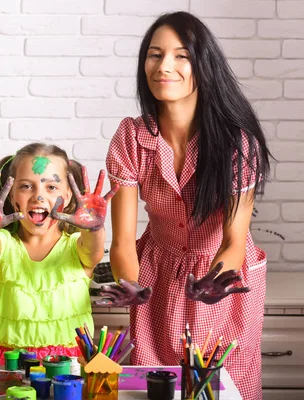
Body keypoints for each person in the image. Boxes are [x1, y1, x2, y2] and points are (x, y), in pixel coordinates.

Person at [99, 11, 270, 399]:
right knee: (154, 386)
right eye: (155, 55)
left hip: (221, 278)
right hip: (156, 271)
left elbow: (233, 243)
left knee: (219, 387)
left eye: (181, 56)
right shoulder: (131, 137)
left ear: (203, 66)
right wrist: (133, 285)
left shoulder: (236, 143)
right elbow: (123, 241)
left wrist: (211, 286)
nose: (164, 67)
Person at [0, 143, 118, 361]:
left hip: (70, 366)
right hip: (11, 364)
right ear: (12, 196)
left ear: (69, 196)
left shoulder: (76, 246)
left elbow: (93, 248)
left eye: (51, 187)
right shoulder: (4, 244)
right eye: (26, 186)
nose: (38, 196)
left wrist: (94, 228)